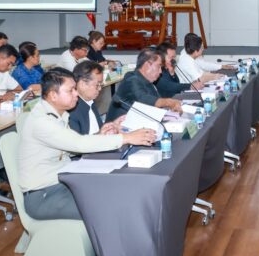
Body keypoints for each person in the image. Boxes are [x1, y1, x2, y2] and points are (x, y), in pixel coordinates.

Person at [17, 68, 155, 220]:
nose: (76, 94)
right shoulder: (42, 121)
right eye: (70, 90)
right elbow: (78, 144)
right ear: (53, 95)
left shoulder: (57, 115)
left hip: (63, 183)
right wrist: (127, 137)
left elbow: (70, 146)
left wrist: (99, 135)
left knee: (113, 191)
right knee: (105, 206)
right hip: (43, 195)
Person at [106, 48, 182, 121]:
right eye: (158, 66)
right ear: (147, 65)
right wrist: (168, 102)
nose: (160, 71)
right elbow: (144, 99)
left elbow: (156, 103)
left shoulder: (148, 81)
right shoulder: (131, 79)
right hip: (116, 127)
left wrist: (169, 108)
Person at [69, 60, 123, 136]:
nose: (100, 89)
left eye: (101, 84)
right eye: (97, 85)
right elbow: (79, 142)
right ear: (82, 84)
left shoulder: (89, 101)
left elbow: (98, 129)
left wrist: (112, 126)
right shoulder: (72, 110)